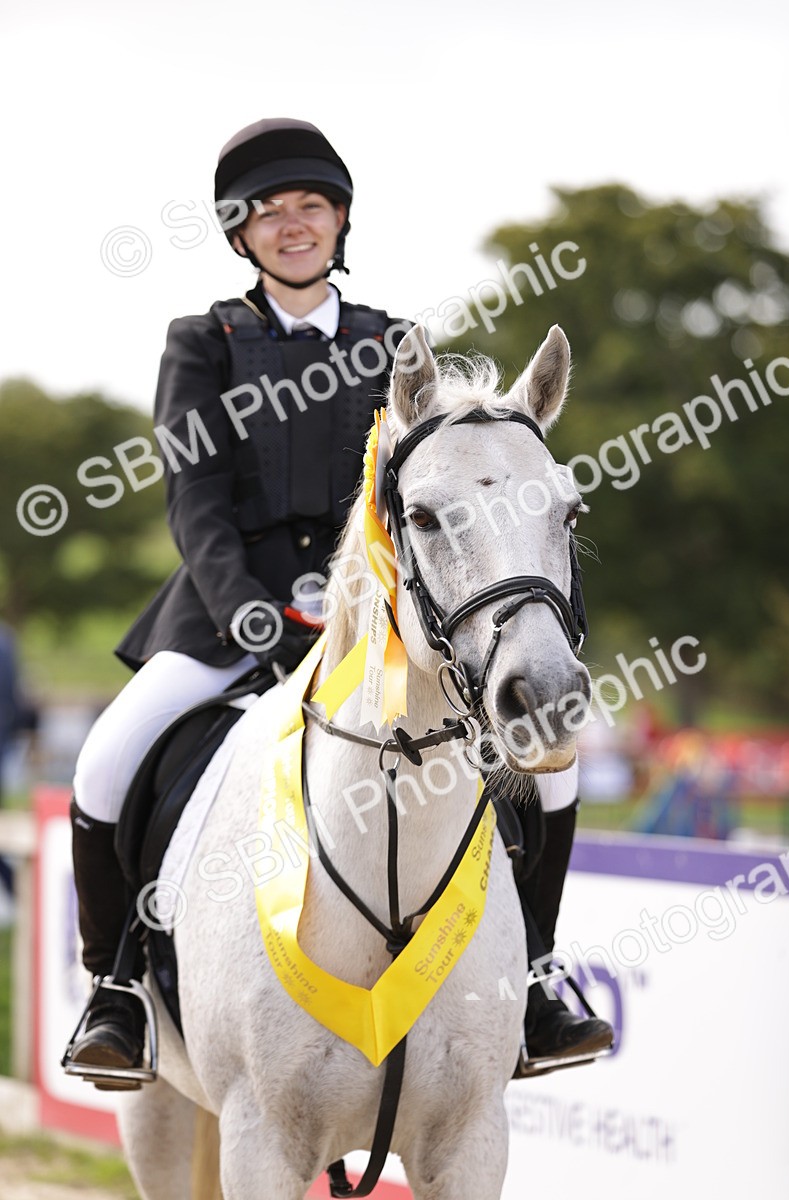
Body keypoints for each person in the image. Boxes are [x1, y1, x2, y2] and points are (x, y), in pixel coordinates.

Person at [66, 118, 611, 1087]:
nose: (291, 226)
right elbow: (193, 501)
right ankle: (116, 989)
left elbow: (428, 497)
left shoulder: (392, 346)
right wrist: (250, 613)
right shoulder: (203, 342)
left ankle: (530, 981)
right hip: (225, 609)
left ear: (338, 219)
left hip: (375, 616)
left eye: (308, 207)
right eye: (267, 214)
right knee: (109, 756)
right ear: (242, 234)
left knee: (552, 768)